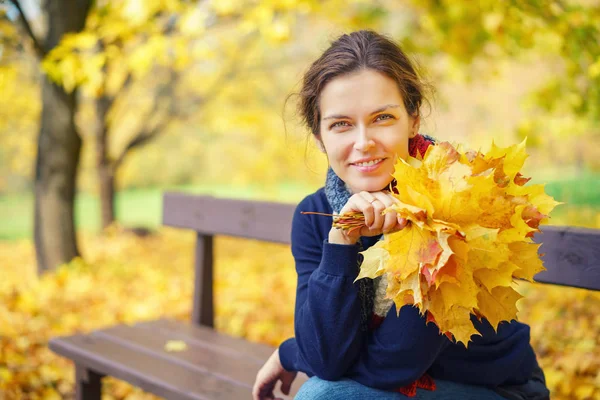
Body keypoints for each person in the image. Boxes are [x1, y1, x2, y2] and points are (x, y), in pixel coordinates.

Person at [252, 30, 550, 400]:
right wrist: (342, 238)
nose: (363, 142)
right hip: (397, 387)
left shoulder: (454, 204)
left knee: (325, 396)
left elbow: (391, 364)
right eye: (341, 124)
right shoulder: (316, 216)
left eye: (382, 118)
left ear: (412, 119)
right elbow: (326, 358)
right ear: (319, 137)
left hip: (496, 389)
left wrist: (291, 353)